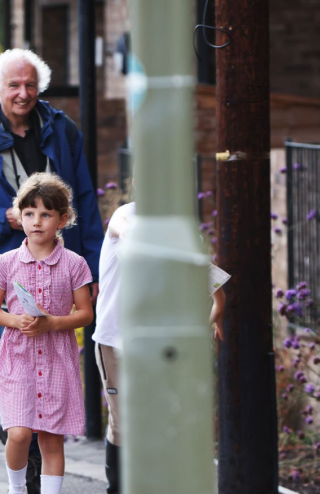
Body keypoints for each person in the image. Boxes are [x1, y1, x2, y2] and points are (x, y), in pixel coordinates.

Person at [0, 48, 103, 491]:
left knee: (53, 376)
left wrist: (94, 268)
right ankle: (25, 470)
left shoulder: (63, 131)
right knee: (19, 379)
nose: (23, 93)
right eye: (13, 85)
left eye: (30, 84)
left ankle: (39, 466)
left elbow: (85, 200)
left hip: (61, 277)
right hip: (5, 280)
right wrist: (3, 219)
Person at [93, 193, 227, 494]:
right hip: (114, 341)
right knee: (123, 425)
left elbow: (214, 287)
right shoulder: (124, 215)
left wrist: (210, 316)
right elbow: (125, 230)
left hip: (161, 347)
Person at [0, 172, 94, 494]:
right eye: (29, 213)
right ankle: (16, 489)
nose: (37, 221)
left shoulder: (74, 264)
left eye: (46, 214)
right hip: (17, 359)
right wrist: (15, 320)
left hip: (57, 359)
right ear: (20, 216)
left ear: (62, 218)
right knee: (18, 433)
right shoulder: (6, 262)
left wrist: (52, 322)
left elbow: (85, 313)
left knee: (50, 437)